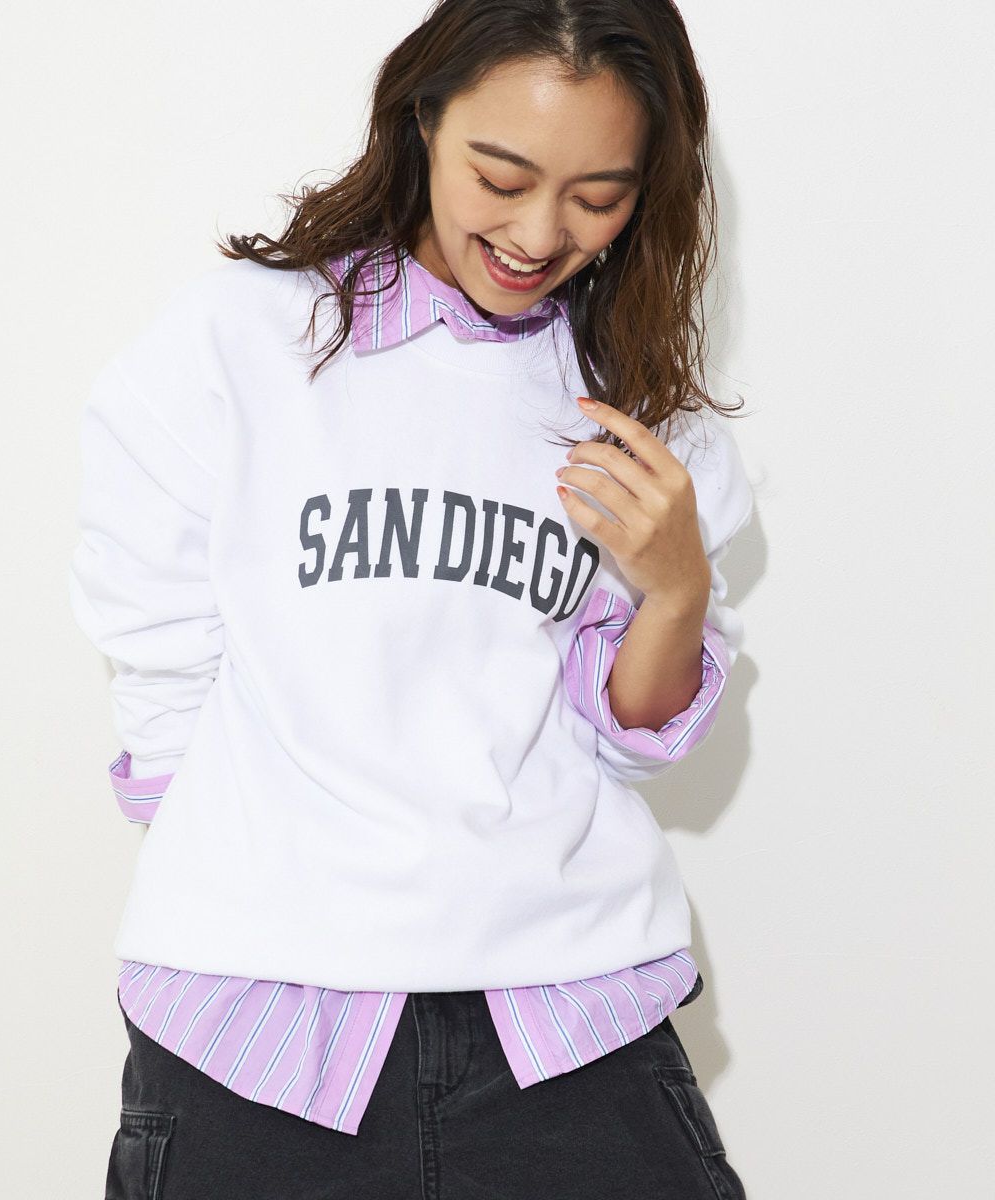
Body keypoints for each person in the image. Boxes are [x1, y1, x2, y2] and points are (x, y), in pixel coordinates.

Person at [70, 2, 754, 1196]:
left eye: (597, 196)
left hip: (565, 1014)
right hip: (257, 1027)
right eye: (502, 176)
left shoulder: (639, 408)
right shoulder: (240, 343)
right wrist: (258, 881)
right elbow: (158, 649)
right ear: (423, 118)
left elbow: (627, 741)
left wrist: (677, 590)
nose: (538, 233)